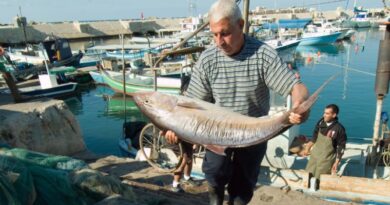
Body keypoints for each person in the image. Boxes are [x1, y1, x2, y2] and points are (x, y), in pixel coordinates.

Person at [164, 0, 309, 204]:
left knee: (242, 188)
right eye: (214, 34)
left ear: (241, 25)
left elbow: (295, 87)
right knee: (213, 174)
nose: (219, 41)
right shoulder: (207, 60)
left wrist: (299, 105)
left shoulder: (263, 55)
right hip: (215, 132)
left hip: (253, 133)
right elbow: (192, 105)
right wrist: (175, 128)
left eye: (224, 33)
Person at [304, 104, 347, 182]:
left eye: (327, 113)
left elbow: (341, 147)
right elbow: (314, 137)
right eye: (324, 113)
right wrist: (308, 148)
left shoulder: (339, 129)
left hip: (326, 158)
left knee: (320, 178)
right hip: (315, 155)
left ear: (334, 115)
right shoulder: (321, 122)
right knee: (309, 174)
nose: (324, 115)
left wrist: (336, 163)